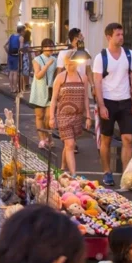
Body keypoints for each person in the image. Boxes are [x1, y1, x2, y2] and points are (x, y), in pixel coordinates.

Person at [92, 22, 132, 187]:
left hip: (125, 101)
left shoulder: (129, 54)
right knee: (106, 139)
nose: (121, 37)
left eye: (122, 34)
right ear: (109, 37)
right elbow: (97, 82)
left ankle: (127, 175)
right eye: (118, 35)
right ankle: (107, 171)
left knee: (128, 138)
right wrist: (101, 105)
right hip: (108, 102)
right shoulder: (101, 57)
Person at [50, 43, 88, 175]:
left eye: (71, 64)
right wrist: (51, 117)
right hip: (63, 115)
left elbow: (85, 98)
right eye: (67, 64)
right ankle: (74, 174)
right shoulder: (60, 78)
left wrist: (88, 116)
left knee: (69, 143)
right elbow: (54, 98)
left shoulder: (83, 78)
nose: (69, 67)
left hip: (77, 115)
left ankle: (62, 166)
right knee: (70, 144)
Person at [29, 39, 57, 149]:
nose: (50, 48)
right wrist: (47, 64)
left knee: (49, 116)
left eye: (51, 46)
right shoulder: (37, 59)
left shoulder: (55, 59)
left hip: (50, 91)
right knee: (39, 116)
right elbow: (38, 75)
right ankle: (41, 139)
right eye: (48, 46)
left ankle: (49, 137)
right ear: (43, 47)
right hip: (39, 90)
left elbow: (56, 75)